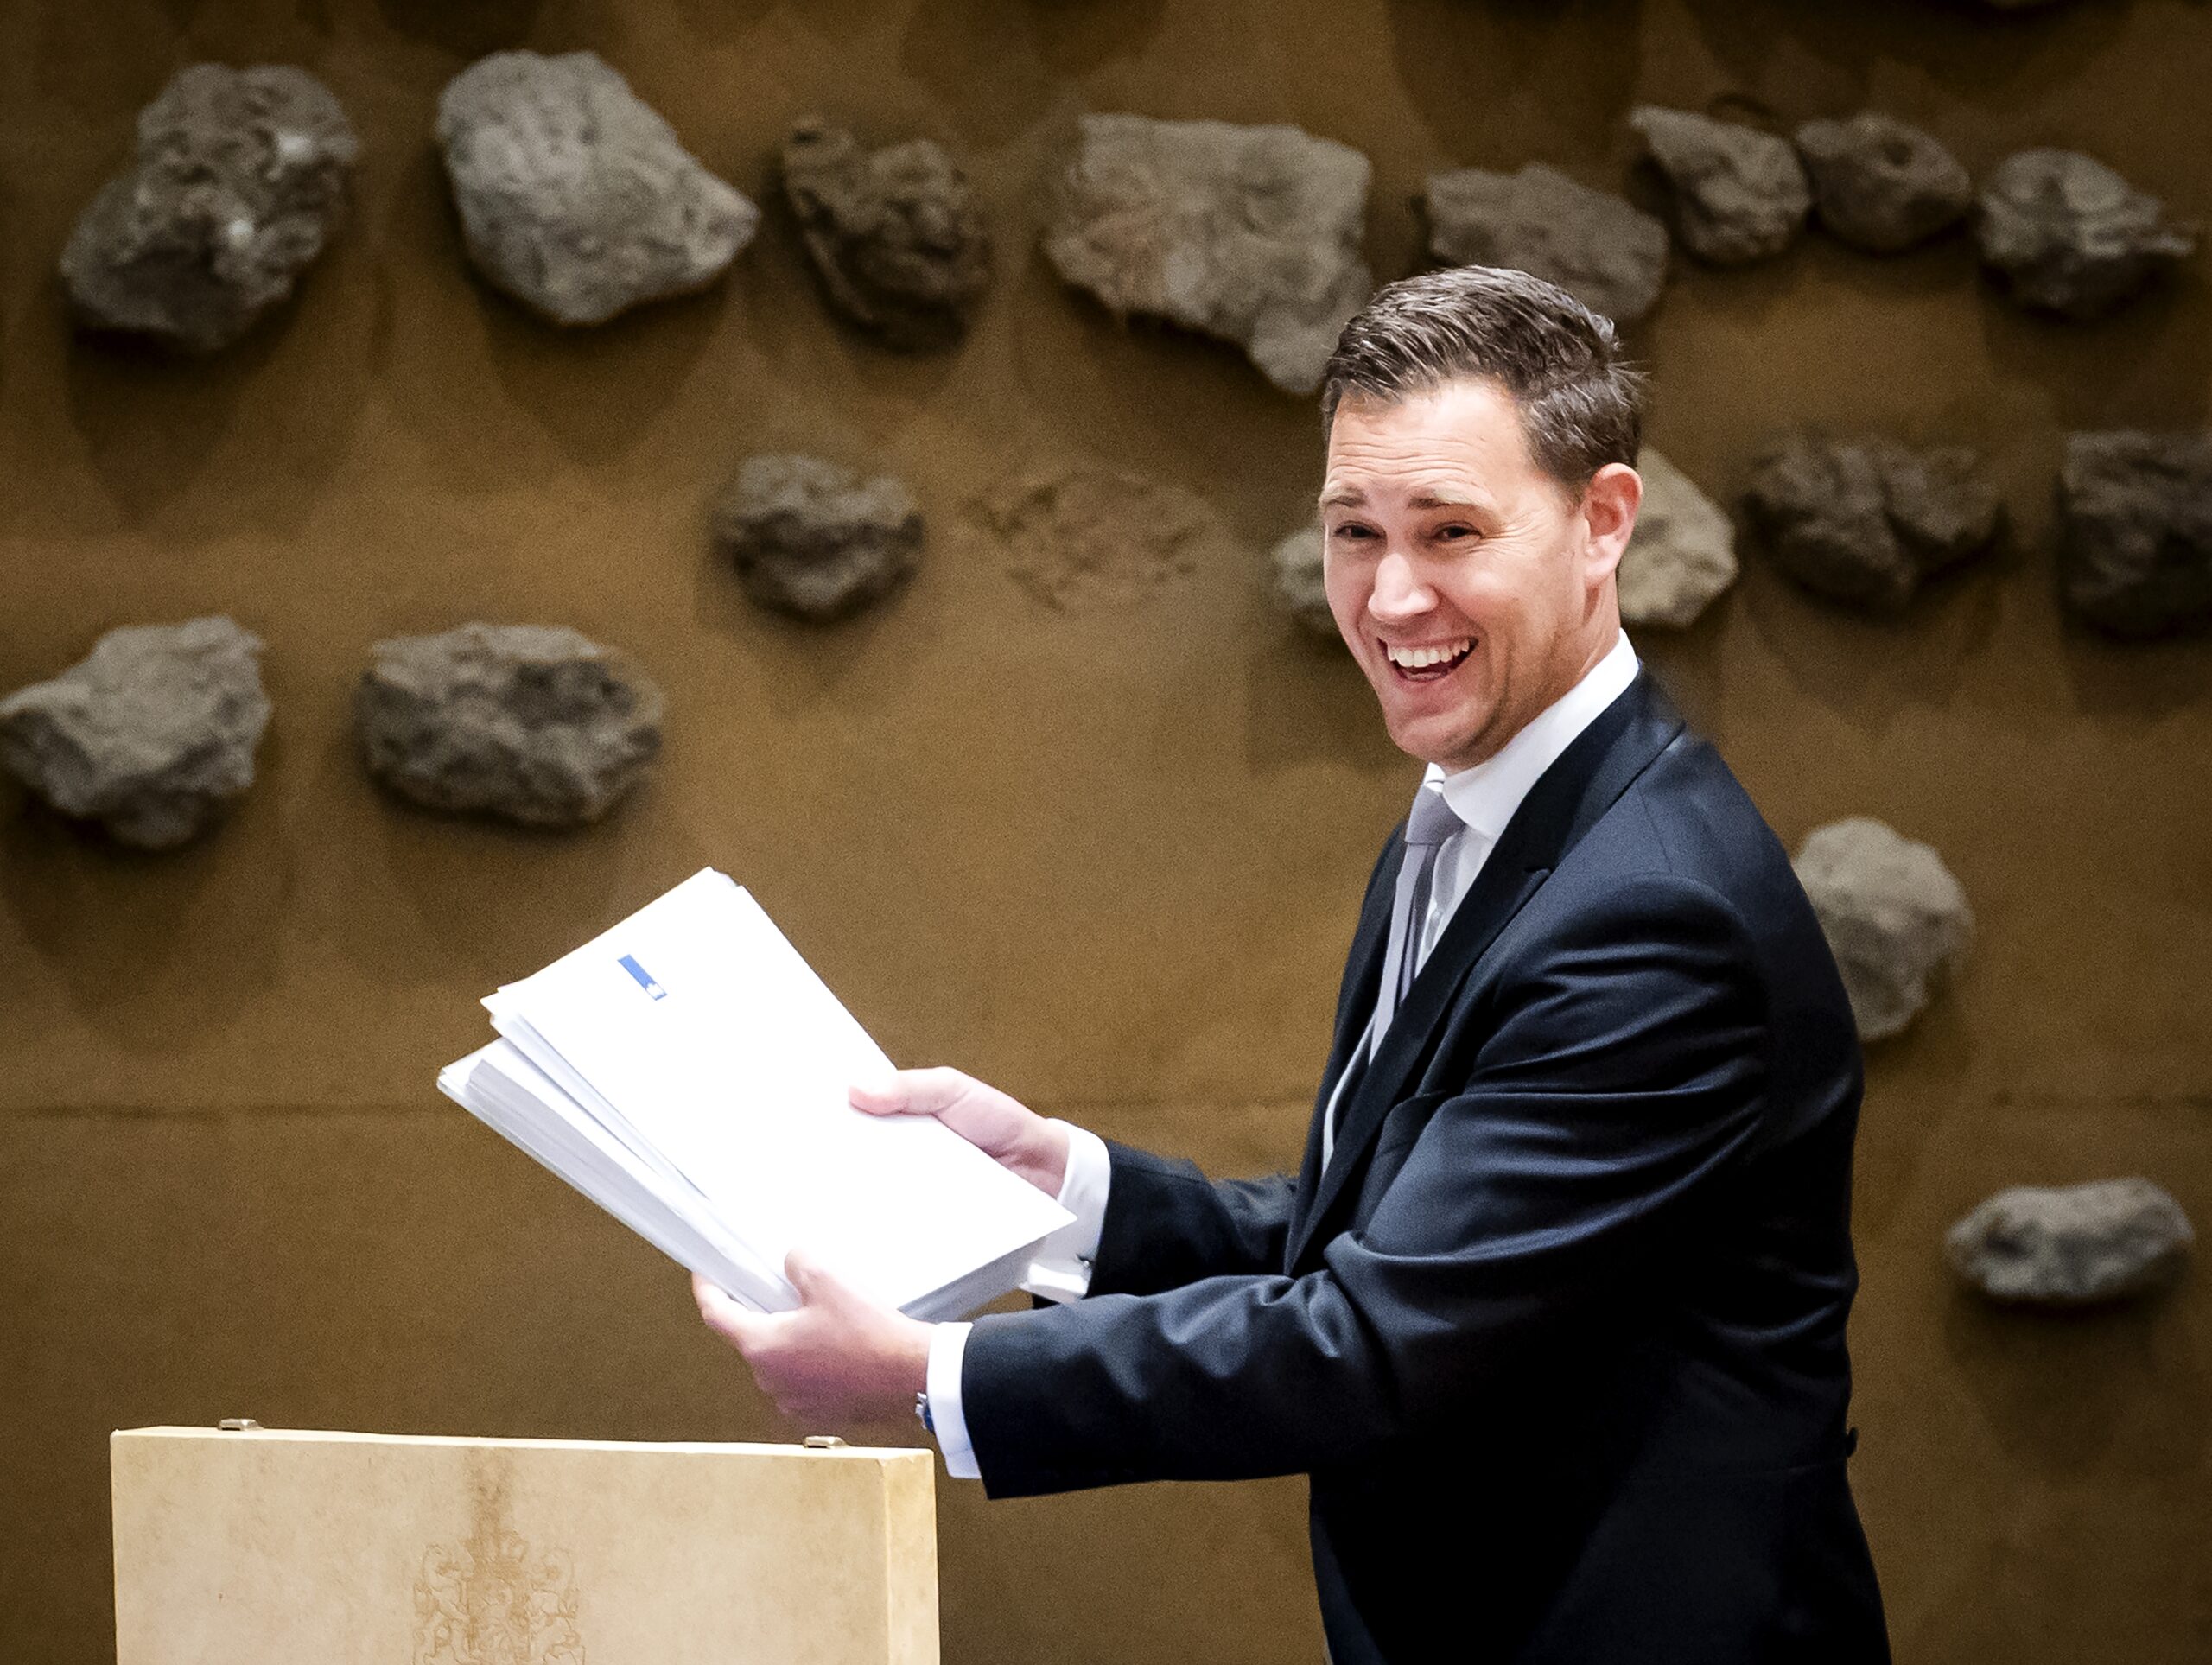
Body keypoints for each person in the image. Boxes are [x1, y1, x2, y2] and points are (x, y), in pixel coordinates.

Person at [693, 265, 1891, 1664]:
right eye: (1353, 531)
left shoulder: (1653, 914)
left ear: (1603, 522)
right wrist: (1069, 1196)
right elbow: (1405, 1235)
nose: (1390, 597)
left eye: (1451, 530)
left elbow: (1380, 1337)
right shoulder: (1480, 809)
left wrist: (935, 1381)